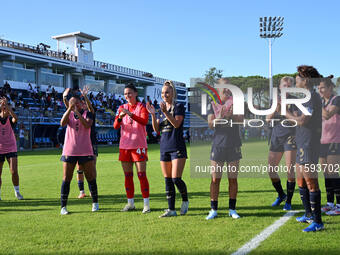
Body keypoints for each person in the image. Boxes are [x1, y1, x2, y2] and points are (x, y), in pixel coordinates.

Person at [285, 65, 324, 232]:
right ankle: (308, 214)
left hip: (309, 144)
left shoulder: (312, 97)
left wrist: (284, 112)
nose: (295, 81)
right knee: (301, 181)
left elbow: (302, 121)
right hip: (301, 142)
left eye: (297, 79)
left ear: (305, 80)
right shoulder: (304, 97)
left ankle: (318, 222)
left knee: (311, 182)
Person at [146, 80, 189, 217]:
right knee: (168, 179)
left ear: (172, 93)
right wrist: (153, 115)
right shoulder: (161, 109)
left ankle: (185, 200)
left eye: (167, 92)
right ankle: (171, 210)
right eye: (163, 93)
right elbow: (156, 129)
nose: (164, 95)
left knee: (176, 178)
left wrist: (165, 113)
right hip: (164, 147)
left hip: (177, 146)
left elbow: (176, 124)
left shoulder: (178, 106)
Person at [205, 78, 243, 220]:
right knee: (215, 179)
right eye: (224, 87)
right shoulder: (213, 104)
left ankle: (232, 209)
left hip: (234, 144)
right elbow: (210, 124)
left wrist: (231, 115)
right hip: (218, 144)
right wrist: (219, 118)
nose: (227, 89)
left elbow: (241, 120)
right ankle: (213, 209)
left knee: (232, 179)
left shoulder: (236, 103)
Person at [113, 83, 150, 213]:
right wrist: (120, 117)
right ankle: (130, 204)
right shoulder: (121, 108)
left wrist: (130, 114)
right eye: (125, 94)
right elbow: (115, 126)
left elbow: (145, 121)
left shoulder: (141, 107)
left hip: (138, 145)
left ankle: (146, 204)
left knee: (141, 175)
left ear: (135, 93)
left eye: (129, 93)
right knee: (128, 176)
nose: (127, 96)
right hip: (124, 146)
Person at [59, 95, 99, 215]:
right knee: (66, 178)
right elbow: (62, 123)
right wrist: (69, 109)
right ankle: (63, 207)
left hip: (85, 150)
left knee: (91, 177)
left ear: (81, 104)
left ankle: (95, 203)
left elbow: (87, 125)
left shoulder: (88, 113)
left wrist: (77, 112)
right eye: (72, 103)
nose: (74, 105)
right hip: (69, 150)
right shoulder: (69, 113)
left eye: (77, 103)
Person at [266, 76, 297, 210]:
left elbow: (296, 121)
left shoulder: (296, 101)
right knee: (271, 169)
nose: (286, 87)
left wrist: (284, 111)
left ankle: (288, 201)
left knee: (289, 170)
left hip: (291, 136)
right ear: (280, 87)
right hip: (276, 136)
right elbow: (267, 119)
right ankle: (281, 195)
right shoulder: (274, 100)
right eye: (284, 85)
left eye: (289, 85)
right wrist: (276, 108)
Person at [318, 76, 340, 215]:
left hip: (335, 141)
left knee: (333, 173)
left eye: (323, 88)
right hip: (322, 142)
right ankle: (330, 203)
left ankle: (339, 206)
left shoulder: (336, 99)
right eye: (318, 88)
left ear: (330, 88)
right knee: (326, 173)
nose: (320, 91)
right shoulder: (321, 101)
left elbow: (327, 115)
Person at [0, 97, 23, 200]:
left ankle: (17, 192)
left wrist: (9, 108)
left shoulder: (10, 119)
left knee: (14, 171)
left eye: (6, 106)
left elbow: (15, 118)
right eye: (3, 106)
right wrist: (1, 105)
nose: (5, 108)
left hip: (11, 147)